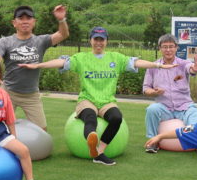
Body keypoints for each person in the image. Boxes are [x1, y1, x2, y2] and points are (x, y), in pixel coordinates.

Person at [20, 26, 175, 165]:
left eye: (102, 40)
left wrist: (158, 65)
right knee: (90, 117)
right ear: (90, 41)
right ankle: (91, 138)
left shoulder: (116, 58)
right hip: (87, 100)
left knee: (116, 118)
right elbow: (60, 63)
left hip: (107, 101)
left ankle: (99, 152)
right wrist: (38, 65)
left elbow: (136, 63)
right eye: (96, 39)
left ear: (106, 41)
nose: (99, 43)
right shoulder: (81, 58)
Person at [0, 5, 69, 131]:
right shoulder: (5, 42)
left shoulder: (41, 41)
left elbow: (63, 34)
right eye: (21, 18)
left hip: (31, 95)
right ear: (14, 23)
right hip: (8, 92)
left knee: (42, 131)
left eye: (28, 18)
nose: (25, 21)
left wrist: (61, 19)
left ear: (34, 22)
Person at [142, 33, 197, 153]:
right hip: (164, 108)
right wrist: (154, 92)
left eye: (171, 46)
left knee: (195, 118)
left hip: (185, 107)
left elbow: (191, 69)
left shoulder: (183, 63)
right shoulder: (153, 67)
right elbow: (146, 88)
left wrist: (195, 69)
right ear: (160, 48)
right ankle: (153, 141)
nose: (168, 50)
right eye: (165, 47)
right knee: (151, 109)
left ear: (176, 48)